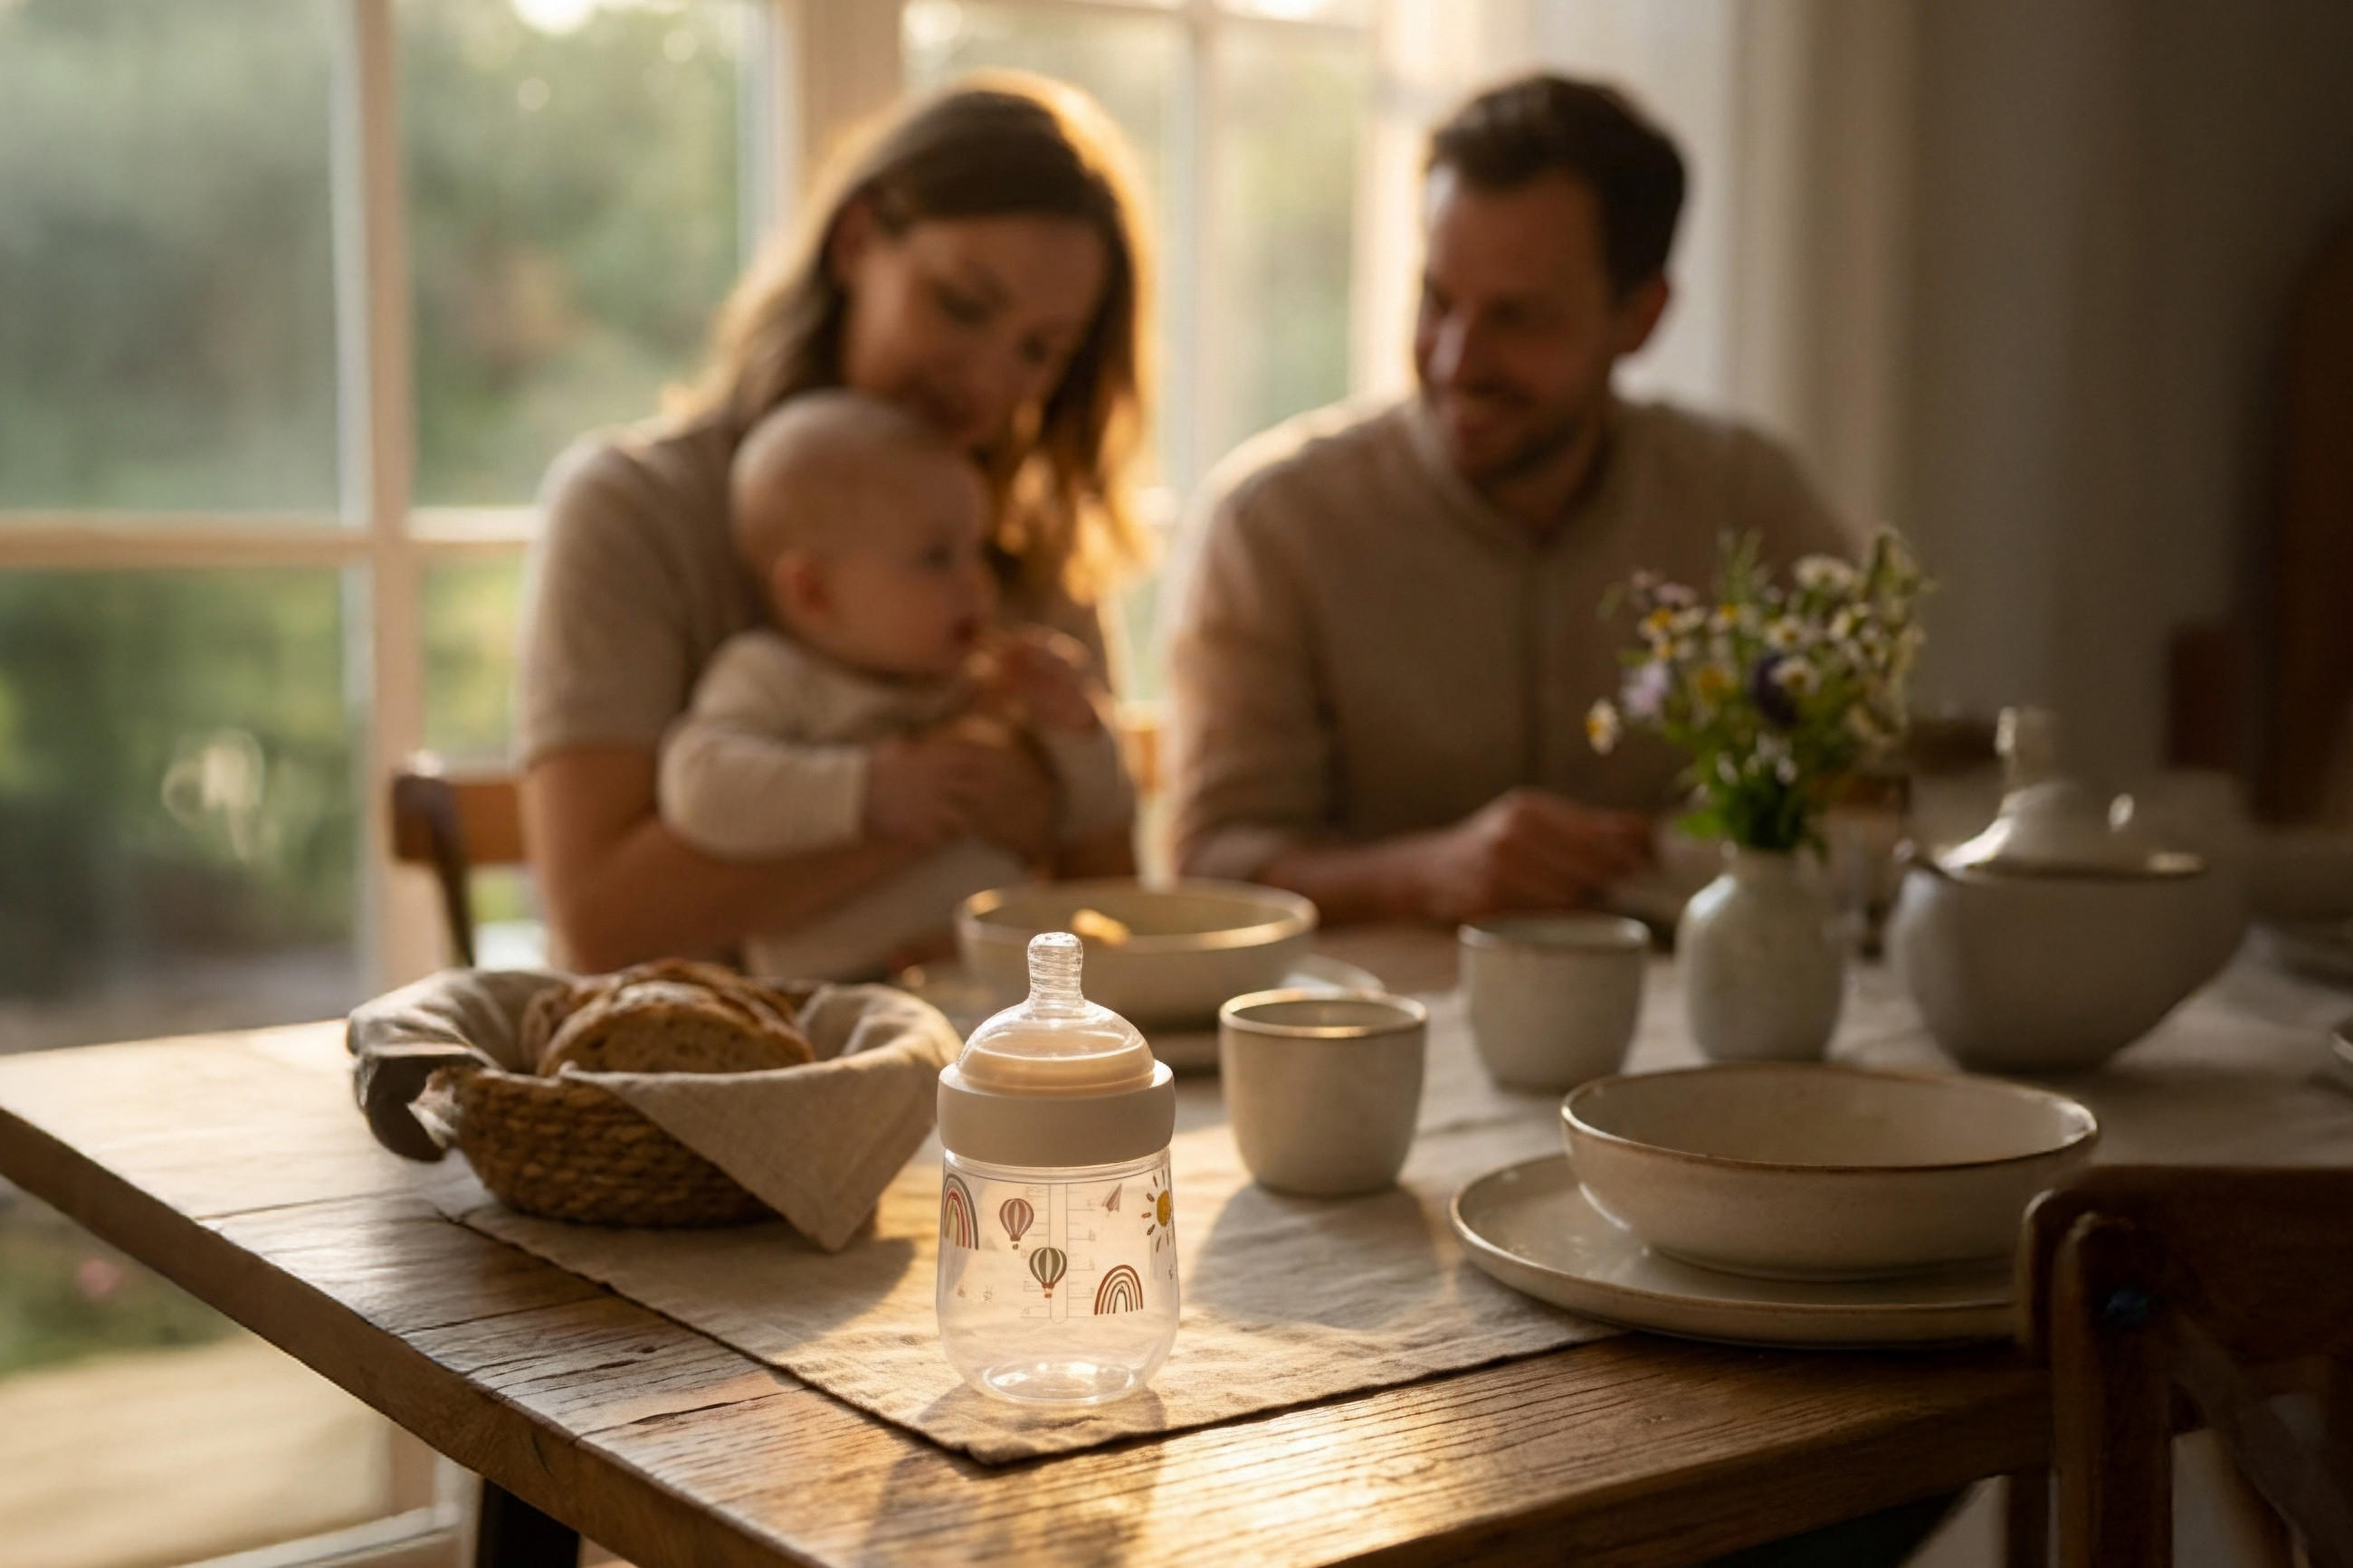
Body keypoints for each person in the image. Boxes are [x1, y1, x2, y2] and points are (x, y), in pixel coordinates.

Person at [1166, 73, 1858, 926]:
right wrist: (1423, 873)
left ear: (1640, 317)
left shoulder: (1750, 498)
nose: (1457, 361)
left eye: (1520, 318)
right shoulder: (1273, 527)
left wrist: (1646, 859)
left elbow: (1865, 803)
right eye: (1437, 301)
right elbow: (1208, 869)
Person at [517, 75, 1152, 971]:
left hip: (970, 1075)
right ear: (856, 242)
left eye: (1039, 350)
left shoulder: (1026, 548)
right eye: (961, 305)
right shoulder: (634, 510)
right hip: (690, 1087)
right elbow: (603, 925)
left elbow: (1106, 912)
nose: (985, 379)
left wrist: (1060, 779)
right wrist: (952, 789)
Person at [658, 390, 1131, 980]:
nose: (979, 585)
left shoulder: (979, 683)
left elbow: (1091, 816)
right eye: (936, 558)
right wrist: (866, 790)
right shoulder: (773, 674)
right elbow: (700, 783)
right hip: (831, 1007)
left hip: (991, 993)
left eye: (976, 551)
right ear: (814, 592)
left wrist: (1076, 728)